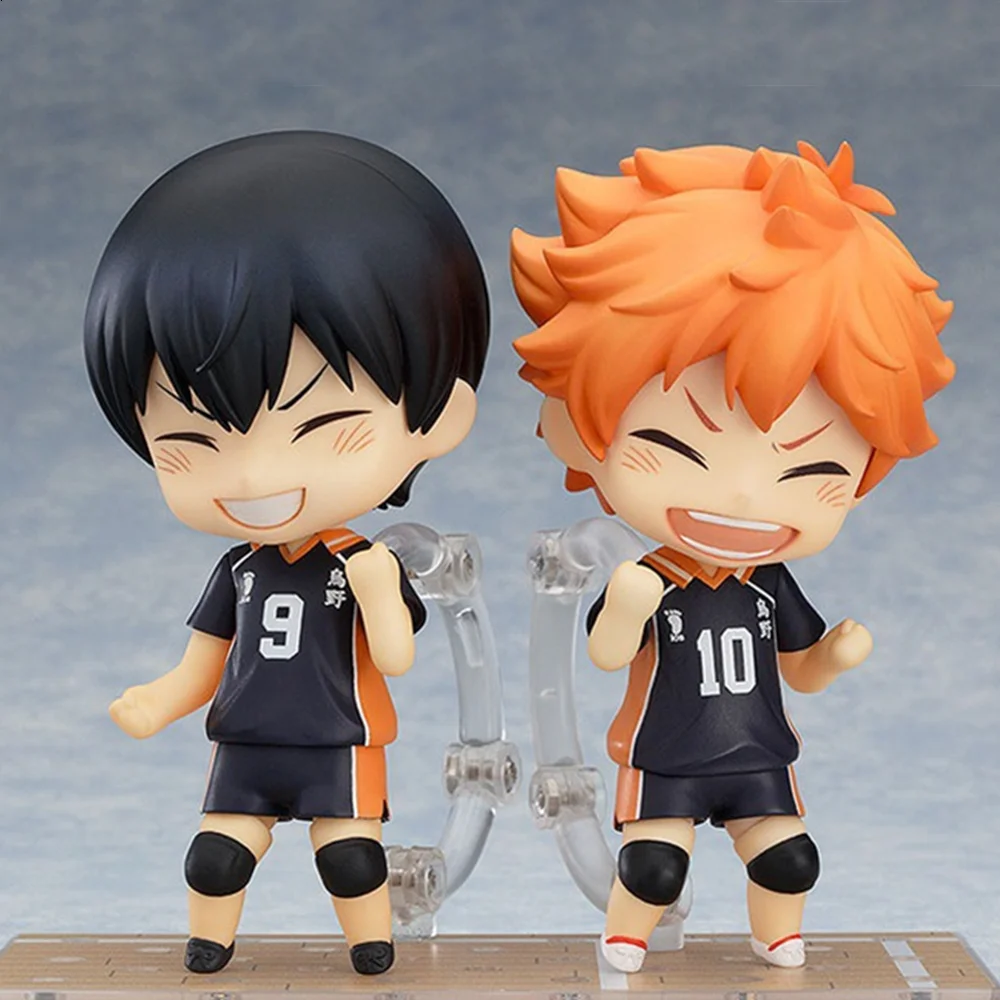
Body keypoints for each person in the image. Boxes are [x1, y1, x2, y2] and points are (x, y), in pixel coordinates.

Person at [511, 140, 954, 972]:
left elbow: (800, 670)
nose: (746, 497)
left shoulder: (768, 584)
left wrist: (835, 653)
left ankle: (776, 932)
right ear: (578, 425)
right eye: (682, 447)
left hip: (758, 753)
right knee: (654, 864)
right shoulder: (653, 576)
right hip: (666, 754)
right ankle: (626, 934)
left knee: (790, 858)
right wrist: (628, 603)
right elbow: (607, 653)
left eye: (810, 470)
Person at [84, 130, 489, 976]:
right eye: (192, 442)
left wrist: (378, 590)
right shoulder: (238, 570)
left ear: (438, 417)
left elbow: (396, 657)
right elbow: (203, 665)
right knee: (215, 856)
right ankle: (210, 939)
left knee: (351, 857)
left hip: (340, 741)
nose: (254, 477)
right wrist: (158, 702)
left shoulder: (361, 561)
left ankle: (371, 942)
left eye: (324, 427)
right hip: (246, 742)